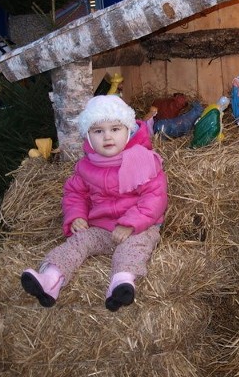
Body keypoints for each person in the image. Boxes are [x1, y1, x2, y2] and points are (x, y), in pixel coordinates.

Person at [20, 95, 168, 312]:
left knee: (133, 248)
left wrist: (130, 223)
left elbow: (155, 198)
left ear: (129, 130)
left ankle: (121, 283)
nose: (107, 136)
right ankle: (49, 278)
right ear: (88, 136)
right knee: (78, 243)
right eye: (98, 131)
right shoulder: (85, 166)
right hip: (101, 228)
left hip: (139, 228)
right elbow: (74, 194)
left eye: (115, 129)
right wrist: (77, 216)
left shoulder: (144, 160)